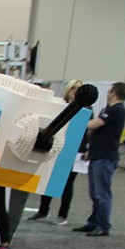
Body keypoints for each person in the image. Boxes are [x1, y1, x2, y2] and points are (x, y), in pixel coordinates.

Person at [28, 80, 88, 225]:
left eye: (78, 88)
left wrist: (83, 150)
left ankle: (63, 214)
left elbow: (85, 133)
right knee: (48, 178)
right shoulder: (61, 106)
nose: (75, 91)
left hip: (75, 151)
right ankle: (43, 210)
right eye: (73, 88)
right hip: (57, 147)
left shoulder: (85, 111)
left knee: (68, 183)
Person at [75, 82, 125, 237]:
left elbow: (95, 124)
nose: (108, 93)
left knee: (102, 194)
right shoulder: (108, 109)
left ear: (114, 93)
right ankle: (93, 222)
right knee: (95, 193)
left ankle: (103, 225)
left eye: (110, 90)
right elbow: (97, 129)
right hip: (98, 155)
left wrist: (76, 121)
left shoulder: (116, 110)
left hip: (105, 158)